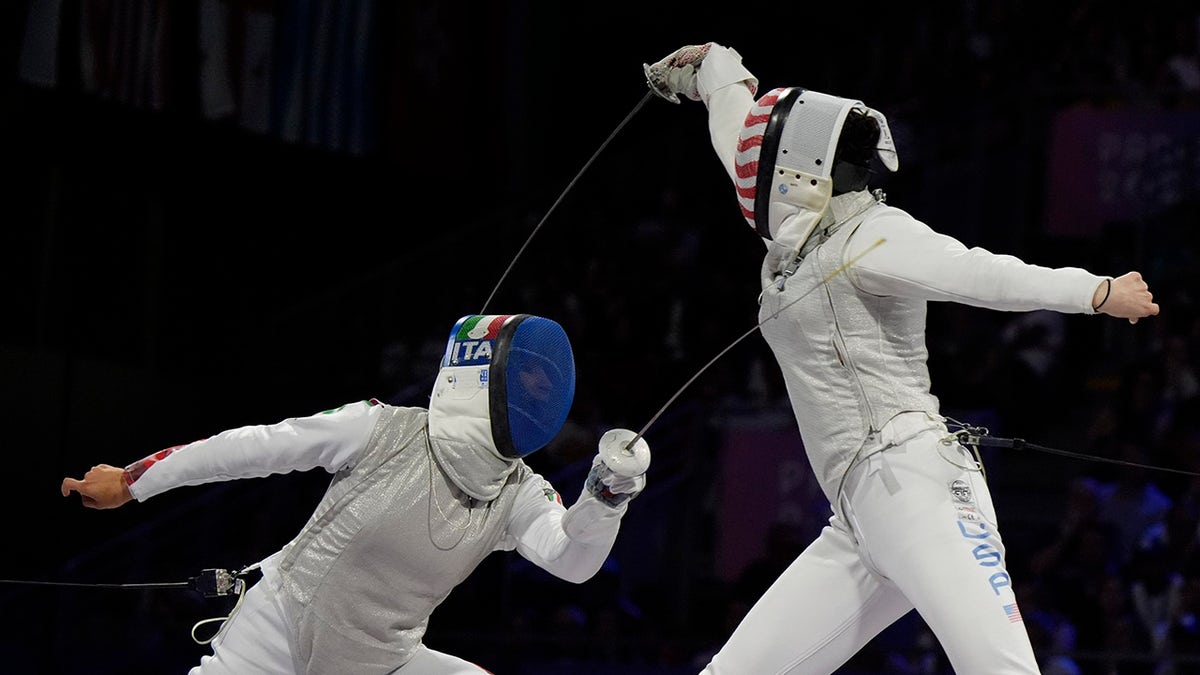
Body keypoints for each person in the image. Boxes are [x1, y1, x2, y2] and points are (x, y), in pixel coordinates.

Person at [643, 43, 1160, 674]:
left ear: (798, 172)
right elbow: (742, 140)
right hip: (860, 517)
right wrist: (713, 68)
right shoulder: (798, 231)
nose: (748, 172)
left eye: (763, 162)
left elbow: (976, 274)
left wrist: (1096, 291)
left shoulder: (873, 234)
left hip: (920, 489)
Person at [61, 313, 651, 675]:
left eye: (547, 385)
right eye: (530, 376)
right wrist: (135, 480)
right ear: (483, 372)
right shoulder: (383, 429)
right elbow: (253, 447)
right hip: (280, 637)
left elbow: (572, 561)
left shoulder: (516, 490)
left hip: (382, 662)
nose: (542, 392)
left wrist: (605, 495)